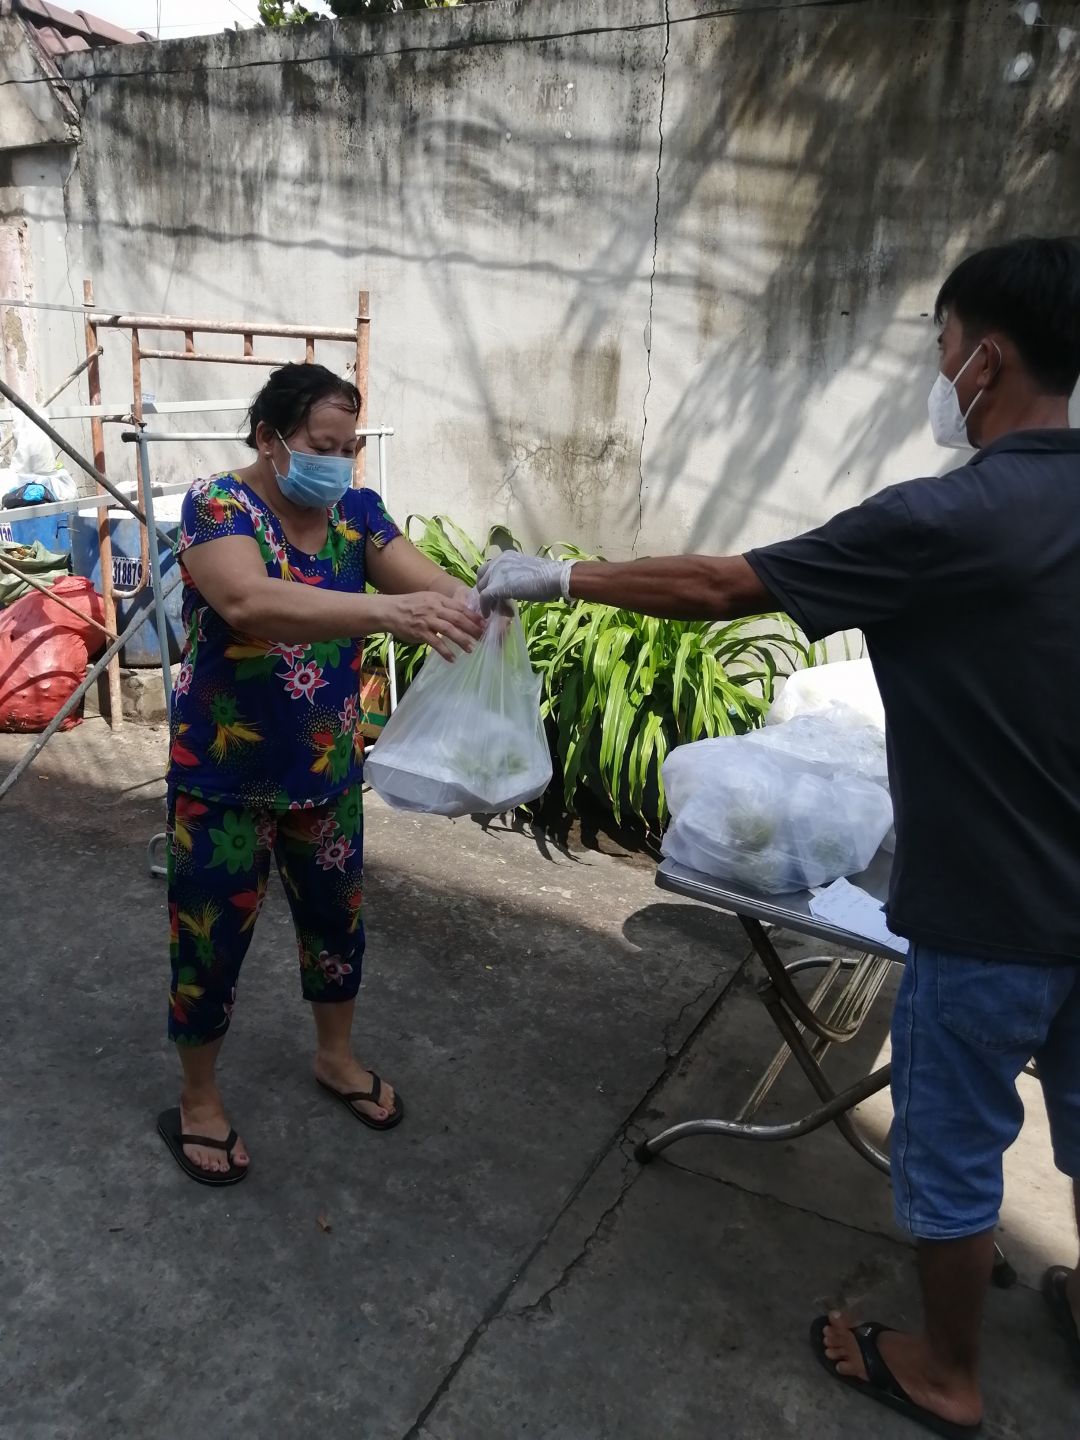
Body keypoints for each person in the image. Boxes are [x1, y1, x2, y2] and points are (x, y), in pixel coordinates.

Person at [476, 237, 1080, 1437]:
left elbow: (722, 589)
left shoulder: (949, 517)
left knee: (954, 1151)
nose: (940, 369)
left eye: (943, 345)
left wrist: (556, 579)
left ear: (988, 360)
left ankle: (945, 1373)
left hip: (991, 912)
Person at [159, 362, 484, 1186]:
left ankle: (335, 1057)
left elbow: (429, 584)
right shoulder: (218, 506)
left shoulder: (357, 515)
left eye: (348, 448)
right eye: (321, 445)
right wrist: (387, 612)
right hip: (223, 777)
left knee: (337, 927)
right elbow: (246, 601)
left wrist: (484, 599)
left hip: (327, 774)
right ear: (269, 438)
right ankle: (199, 1099)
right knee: (208, 940)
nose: (337, 463)